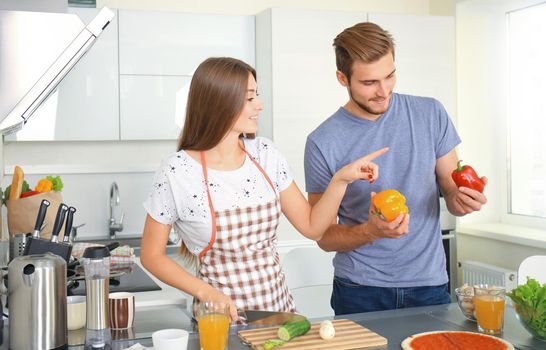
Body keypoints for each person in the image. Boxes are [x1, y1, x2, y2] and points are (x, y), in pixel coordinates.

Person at [140, 57, 388, 320]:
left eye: (255, 95)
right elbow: (151, 255)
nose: (259, 105)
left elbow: (313, 226)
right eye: (249, 98)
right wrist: (206, 292)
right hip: (220, 320)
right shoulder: (178, 171)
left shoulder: (265, 154)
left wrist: (341, 180)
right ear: (220, 101)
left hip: (280, 315)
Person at [304, 22, 488, 315]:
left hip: (429, 285)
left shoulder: (430, 113)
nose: (383, 91)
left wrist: (463, 200)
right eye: (369, 83)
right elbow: (323, 237)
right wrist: (370, 231)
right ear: (342, 78)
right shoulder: (322, 141)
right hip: (359, 290)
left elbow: (452, 193)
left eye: (390, 76)